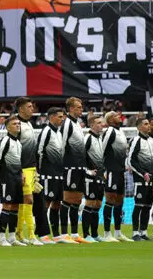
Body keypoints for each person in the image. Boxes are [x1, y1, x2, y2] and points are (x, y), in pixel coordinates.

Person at [0, 115, 26, 247]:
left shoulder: (18, 142)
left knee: (16, 206)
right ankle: (1, 238)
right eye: (14, 124)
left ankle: (12, 237)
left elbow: (19, 161)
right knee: (7, 205)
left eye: (19, 123)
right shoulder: (5, 140)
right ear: (7, 127)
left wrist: (21, 173)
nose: (18, 125)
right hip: (7, 177)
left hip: (17, 177)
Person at [11, 98, 40, 245]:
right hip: (21, 169)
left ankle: (20, 234)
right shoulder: (16, 125)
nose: (32, 109)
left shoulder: (29, 123)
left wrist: (35, 169)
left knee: (24, 203)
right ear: (21, 109)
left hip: (31, 168)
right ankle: (32, 235)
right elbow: (13, 149)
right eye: (29, 106)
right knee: (28, 200)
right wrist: (19, 170)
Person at [37, 108, 67, 244]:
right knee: (46, 204)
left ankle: (56, 235)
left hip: (58, 174)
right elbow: (39, 151)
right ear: (52, 117)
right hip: (47, 175)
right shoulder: (46, 131)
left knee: (57, 204)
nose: (62, 119)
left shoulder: (59, 133)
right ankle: (43, 234)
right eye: (60, 117)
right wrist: (40, 171)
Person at [60, 97, 88, 244]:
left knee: (77, 200)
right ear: (70, 109)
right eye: (78, 107)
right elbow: (62, 144)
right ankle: (64, 234)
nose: (81, 109)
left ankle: (75, 233)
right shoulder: (67, 124)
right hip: (69, 167)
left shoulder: (78, 124)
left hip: (80, 167)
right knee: (67, 199)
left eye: (81, 106)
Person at [101, 111, 132, 242]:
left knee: (120, 201)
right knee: (110, 200)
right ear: (110, 120)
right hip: (111, 171)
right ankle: (107, 233)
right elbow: (101, 150)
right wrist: (103, 170)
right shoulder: (109, 131)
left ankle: (118, 232)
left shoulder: (121, 132)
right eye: (116, 116)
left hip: (120, 171)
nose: (119, 117)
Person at [82, 115, 105, 243]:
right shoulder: (88, 138)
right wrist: (87, 171)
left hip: (100, 176)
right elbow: (80, 155)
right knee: (90, 203)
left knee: (97, 204)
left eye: (101, 122)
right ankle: (86, 235)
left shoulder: (99, 139)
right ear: (91, 125)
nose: (101, 125)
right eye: (98, 123)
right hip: (89, 177)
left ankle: (95, 234)